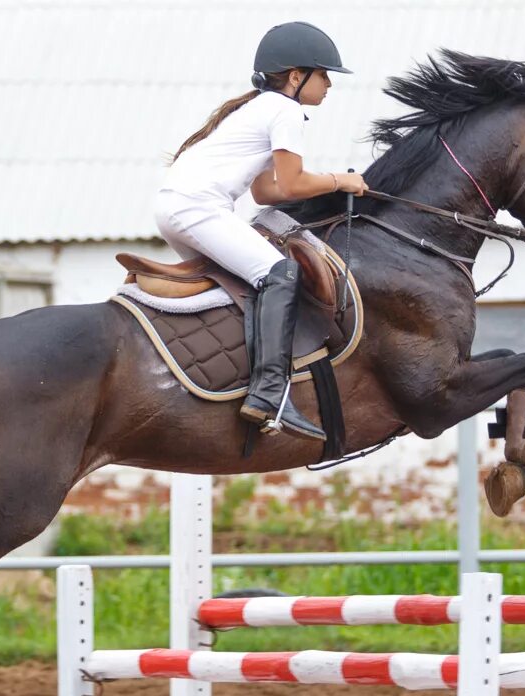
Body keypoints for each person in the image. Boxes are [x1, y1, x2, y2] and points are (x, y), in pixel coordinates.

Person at [155, 21, 368, 442]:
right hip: (197, 208)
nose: (328, 85)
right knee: (281, 274)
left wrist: (320, 189)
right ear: (295, 76)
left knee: (250, 285)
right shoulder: (285, 111)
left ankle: (234, 378)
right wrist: (341, 182)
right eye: (323, 75)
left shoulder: (261, 108)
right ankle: (269, 395)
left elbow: (266, 190)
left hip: (175, 207)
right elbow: (291, 184)